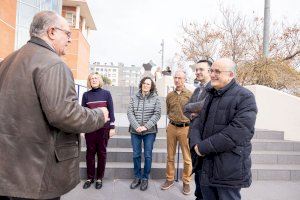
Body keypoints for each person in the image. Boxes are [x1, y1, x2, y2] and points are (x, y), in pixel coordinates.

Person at [0, 11, 109, 200]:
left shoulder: (8, 61)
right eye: (67, 33)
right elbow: (65, 114)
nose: (70, 39)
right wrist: (100, 115)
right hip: (36, 176)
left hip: (8, 174)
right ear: (51, 32)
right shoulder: (53, 64)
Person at [189, 58, 257, 200]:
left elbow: (238, 132)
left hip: (228, 169)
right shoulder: (210, 94)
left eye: (217, 71)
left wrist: (202, 148)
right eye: (212, 70)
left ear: (231, 75)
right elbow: (198, 121)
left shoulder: (245, 97)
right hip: (206, 165)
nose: (212, 74)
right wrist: (195, 144)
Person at [160, 70, 192, 195]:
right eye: (175, 77)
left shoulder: (190, 95)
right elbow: (168, 110)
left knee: (187, 158)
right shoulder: (170, 95)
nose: (177, 80)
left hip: (186, 128)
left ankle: (186, 181)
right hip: (172, 127)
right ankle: (169, 179)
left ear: (184, 79)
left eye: (180, 78)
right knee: (170, 156)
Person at [81, 73, 116, 190]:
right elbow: (83, 113)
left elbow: (111, 111)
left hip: (103, 128)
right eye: (91, 79)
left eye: (96, 78)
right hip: (90, 129)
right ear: (89, 81)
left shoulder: (106, 94)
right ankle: (90, 178)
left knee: (101, 153)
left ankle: (99, 178)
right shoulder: (86, 95)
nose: (94, 80)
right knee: (89, 153)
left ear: (99, 80)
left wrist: (112, 127)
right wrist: (82, 129)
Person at [184, 59, 212, 200]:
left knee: (203, 172)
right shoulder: (197, 89)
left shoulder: (213, 88)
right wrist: (193, 111)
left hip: (205, 137)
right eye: (196, 69)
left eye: (201, 69)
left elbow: (205, 105)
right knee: (197, 169)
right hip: (193, 135)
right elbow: (186, 108)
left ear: (209, 70)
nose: (198, 72)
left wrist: (194, 108)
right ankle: (198, 196)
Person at [127, 77, 161, 191]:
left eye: (148, 84)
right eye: (144, 83)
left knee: (147, 155)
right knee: (136, 155)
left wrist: (145, 126)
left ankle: (145, 178)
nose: (146, 85)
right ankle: (137, 177)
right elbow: (130, 112)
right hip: (135, 131)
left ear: (151, 86)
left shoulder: (156, 98)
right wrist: (137, 126)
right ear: (141, 84)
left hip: (149, 132)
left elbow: (157, 114)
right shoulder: (134, 97)